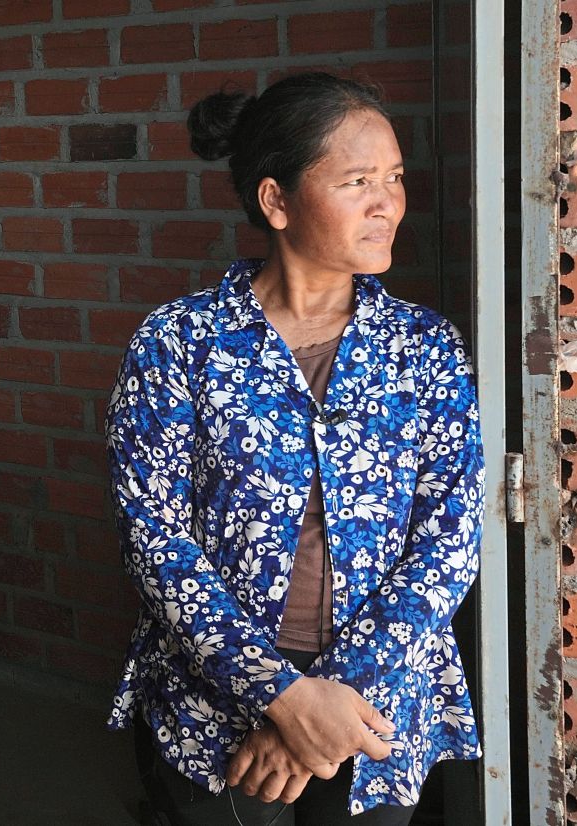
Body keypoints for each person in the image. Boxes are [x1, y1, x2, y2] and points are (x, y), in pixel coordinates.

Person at [104, 72, 485, 825]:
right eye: (357, 181)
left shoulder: (425, 348)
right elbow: (154, 537)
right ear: (276, 201)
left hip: (374, 707)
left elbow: (452, 537)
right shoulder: (179, 342)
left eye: (395, 178)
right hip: (212, 708)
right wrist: (280, 696)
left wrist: (324, 712)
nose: (388, 204)